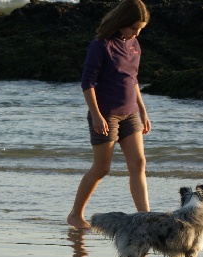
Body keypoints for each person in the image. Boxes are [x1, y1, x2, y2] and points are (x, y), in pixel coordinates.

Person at [67, 0, 152, 230]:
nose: (137, 33)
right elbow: (88, 82)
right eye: (134, 27)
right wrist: (96, 115)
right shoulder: (101, 45)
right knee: (102, 168)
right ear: (122, 22)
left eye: (141, 29)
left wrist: (143, 110)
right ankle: (75, 214)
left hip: (131, 113)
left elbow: (132, 80)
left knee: (139, 163)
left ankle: (144, 218)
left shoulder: (134, 44)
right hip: (106, 116)